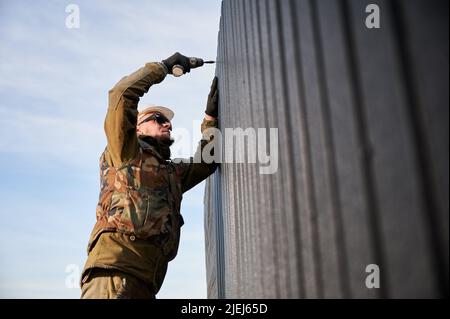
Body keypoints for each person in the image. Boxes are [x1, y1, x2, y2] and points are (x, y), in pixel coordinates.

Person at [80, 52, 219, 299]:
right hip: (113, 274)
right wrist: (164, 67)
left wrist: (209, 120)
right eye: (158, 119)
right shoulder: (124, 151)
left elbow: (206, 162)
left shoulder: (170, 173)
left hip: (147, 282)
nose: (167, 124)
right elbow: (121, 95)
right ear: (137, 126)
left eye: (168, 123)